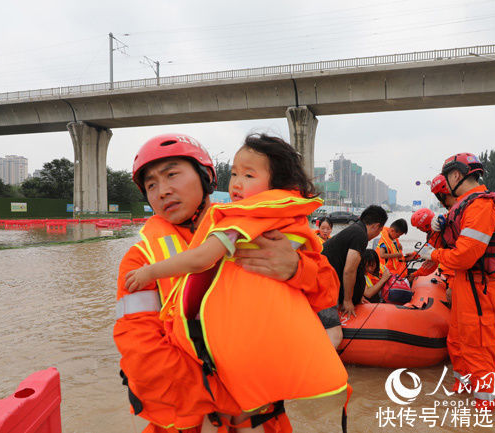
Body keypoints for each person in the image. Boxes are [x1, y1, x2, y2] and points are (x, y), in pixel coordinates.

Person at [113, 133, 339, 433]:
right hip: (195, 421)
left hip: (263, 419)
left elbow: (328, 295)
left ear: (206, 177)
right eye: (151, 185)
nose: (163, 191)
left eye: (172, 175)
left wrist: (297, 269)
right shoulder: (140, 261)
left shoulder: (264, 229)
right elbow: (142, 353)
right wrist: (230, 396)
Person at [421, 153, 495, 410]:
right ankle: (463, 392)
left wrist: (432, 254)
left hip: (478, 286)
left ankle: (485, 410)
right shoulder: (464, 206)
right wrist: (438, 232)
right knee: (458, 341)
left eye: (445, 178)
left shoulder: (480, 206)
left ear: (455, 176)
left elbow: (464, 256)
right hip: (465, 284)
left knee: (478, 348)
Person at [322, 205, 388, 329]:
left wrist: (356, 295)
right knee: (335, 334)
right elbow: (349, 270)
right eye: (379, 230)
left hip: (331, 285)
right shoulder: (360, 235)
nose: (378, 234)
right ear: (375, 226)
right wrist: (347, 301)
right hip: (325, 288)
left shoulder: (356, 229)